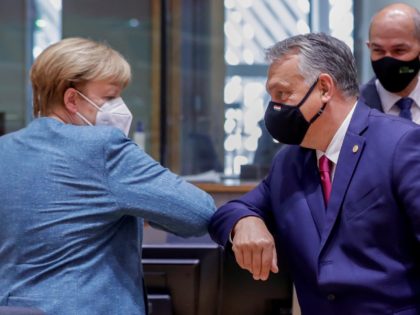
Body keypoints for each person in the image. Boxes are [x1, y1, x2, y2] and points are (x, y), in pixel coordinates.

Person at [0, 37, 216, 315]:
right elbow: (199, 213)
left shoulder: (4, 148)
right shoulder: (103, 147)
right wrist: (145, 208)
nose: (120, 107)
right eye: (110, 97)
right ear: (72, 99)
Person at [209, 33, 420, 314]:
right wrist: (245, 221)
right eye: (271, 97)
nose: (274, 109)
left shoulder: (400, 144)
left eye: (282, 94)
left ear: (323, 88)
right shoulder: (289, 162)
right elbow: (230, 211)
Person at [360, 3, 420, 123]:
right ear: (369, 47)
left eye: (399, 50)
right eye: (378, 50)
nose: (388, 61)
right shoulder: (352, 107)